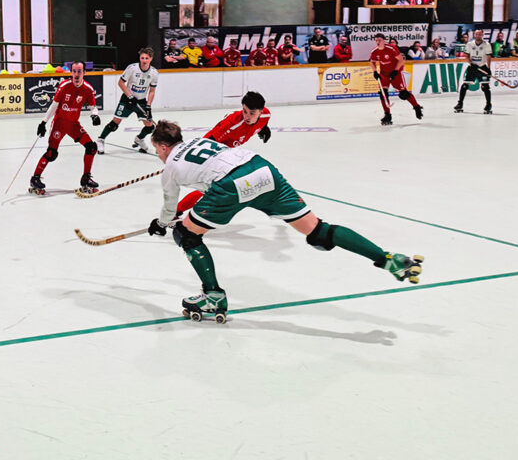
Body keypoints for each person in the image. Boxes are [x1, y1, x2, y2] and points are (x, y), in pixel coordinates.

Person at [145, 120, 423, 318]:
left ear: (163, 146)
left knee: (187, 235)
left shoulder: (170, 167)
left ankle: (213, 296)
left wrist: (163, 223)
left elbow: (170, 208)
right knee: (318, 232)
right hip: (261, 169)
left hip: (231, 183)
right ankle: (388, 259)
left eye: (157, 150)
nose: (158, 155)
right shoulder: (200, 141)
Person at [175, 91, 272, 216]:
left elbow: (262, 122)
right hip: (214, 148)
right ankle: (176, 211)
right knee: (209, 188)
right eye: (244, 111)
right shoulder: (232, 124)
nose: (246, 117)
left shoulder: (266, 115)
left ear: (260, 112)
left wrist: (264, 129)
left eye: (251, 113)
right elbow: (210, 142)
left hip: (229, 151)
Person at [31, 60, 101, 194]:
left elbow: (93, 106)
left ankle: (86, 178)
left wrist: (95, 115)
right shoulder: (64, 86)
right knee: (51, 153)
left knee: (91, 147)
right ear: (71, 72)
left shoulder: (88, 89)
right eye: (74, 71)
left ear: (84, 73)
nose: (76, 74)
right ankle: (35, 178)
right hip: (60, 124)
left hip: (74, 124)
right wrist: (43, 122)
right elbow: (54, 106)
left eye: (79, 71)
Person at [97, 48, 159, 154]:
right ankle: (101, 140)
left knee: (150, 126)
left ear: (151, 59)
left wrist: (148, 106)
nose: (144, 60)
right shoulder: (132, 68)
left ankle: (139, 139)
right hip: (127, 100)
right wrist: (130, 96)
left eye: (146, 58)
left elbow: (152, 91)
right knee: (114, 124)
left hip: (141, 102)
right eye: (142, 58)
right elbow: (121, 83)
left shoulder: (154, 73)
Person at [369, 33, 423, 125]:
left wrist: (396, 70)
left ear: (384, 41)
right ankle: (387, 115)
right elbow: (372, 62)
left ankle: (417, 107)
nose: (378, 42)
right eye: (376, 40)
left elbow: (401, 60)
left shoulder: (391, 48)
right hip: (384, 74)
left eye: (379, 40)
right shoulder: (374, 51)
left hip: (395, 72)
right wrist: (375, 71)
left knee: (404, 94)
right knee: (383, 94)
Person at [454, 29, 493, 114]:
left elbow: (488, 56)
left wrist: (489, 68)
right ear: (474, 35)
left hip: (482, 67)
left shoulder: (487, 44)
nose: (478, 36)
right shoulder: (469, 44)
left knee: (485, 87)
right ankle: (460, 103)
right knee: (465, 85)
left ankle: (488, 104)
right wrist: (471, 63)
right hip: (472, 67)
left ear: (482, 35)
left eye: (479, 34)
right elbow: (466, 56)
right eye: (476, 34)